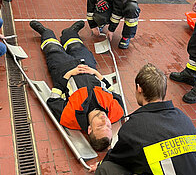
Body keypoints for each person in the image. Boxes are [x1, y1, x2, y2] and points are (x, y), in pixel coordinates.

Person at [29, 19, 125, 151]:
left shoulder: (71, 117)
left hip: (63, 70)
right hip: (88, 67)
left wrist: (68, 75)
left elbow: (53, 99)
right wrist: (97, 74)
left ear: (89, 129)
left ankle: (45, 31)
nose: (105, 121)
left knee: (52, 47)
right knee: (75, 45)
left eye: (99, 127)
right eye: (108, 127)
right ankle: (71, 32)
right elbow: (114, 93)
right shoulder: (115, 112)